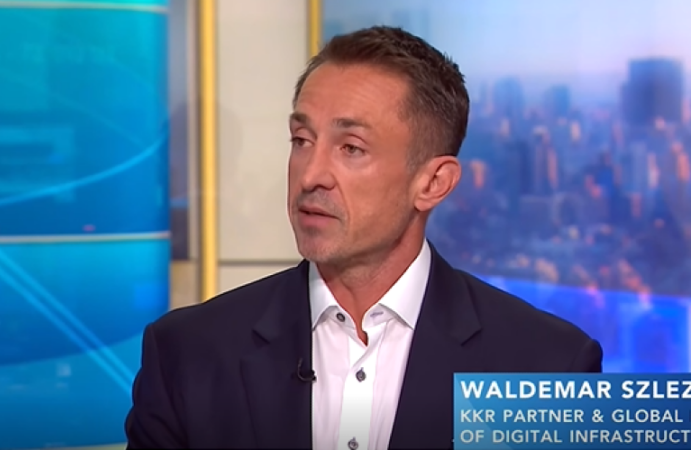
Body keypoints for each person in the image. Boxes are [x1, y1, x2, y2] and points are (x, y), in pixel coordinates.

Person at [125, 26, 602, 450]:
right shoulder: (187, 353)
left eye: (351, 148)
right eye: (301, 140)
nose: (311, 174)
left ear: (433, 183)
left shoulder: (547, 368)